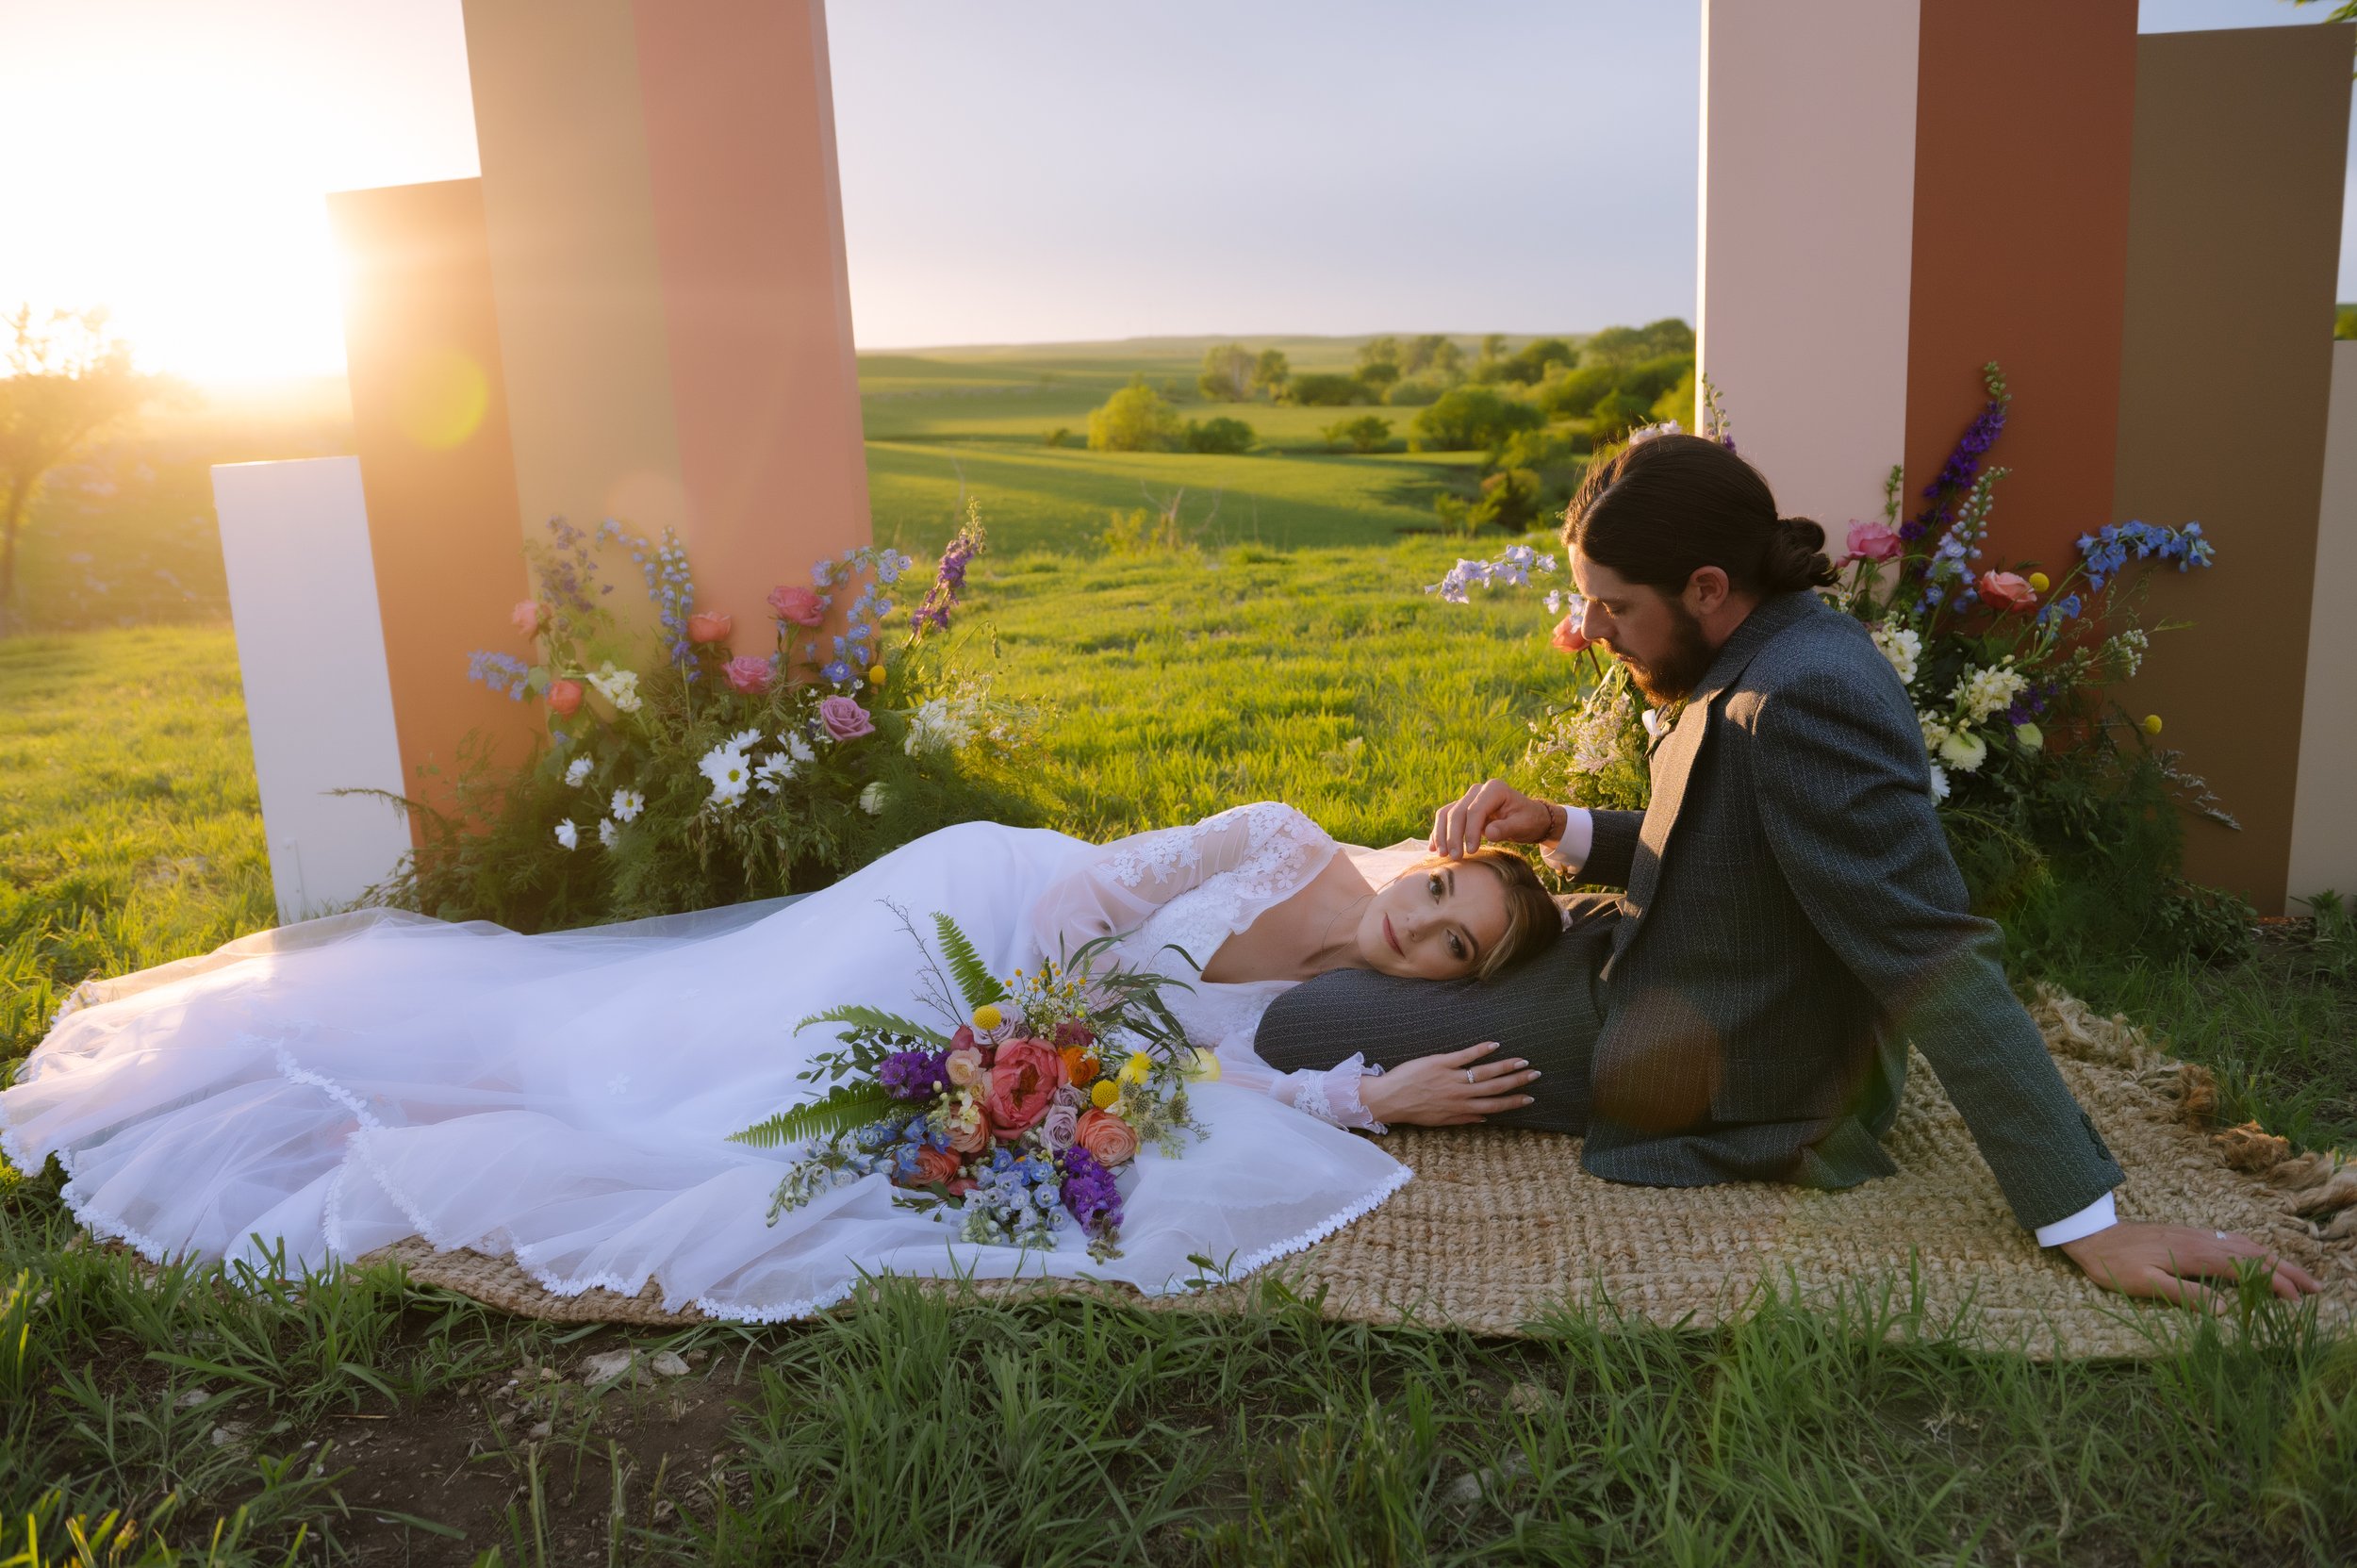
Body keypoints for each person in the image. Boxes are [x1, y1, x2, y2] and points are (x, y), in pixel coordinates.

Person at [1252, 433, 2322, 1312]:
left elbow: (1929, 948)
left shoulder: (1802, 695)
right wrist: (1568, 828)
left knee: (1292, 1023)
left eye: (1613, 607)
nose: (1590, 630)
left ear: (1707, 586)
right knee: (1346, 945)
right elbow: (1734, 846)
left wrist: (2087, 1220)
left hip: (1699, 1046)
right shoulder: (1768, 647)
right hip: (1654, 951)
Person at [0, 802, 1557, 1321]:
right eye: (1441, 894)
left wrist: (1366, 1094)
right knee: (720, 1044)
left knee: (787, 1125)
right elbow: (1108, 888)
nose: (1424, 933)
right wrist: (1027, 1011)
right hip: (992, 898)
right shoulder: (1285, 843)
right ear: (1426, 855)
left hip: (1027, 999)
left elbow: (1182, 1074)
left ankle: (487, 1116)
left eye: (1457, 951)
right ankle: (455, 1076)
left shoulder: (1285, 1019)